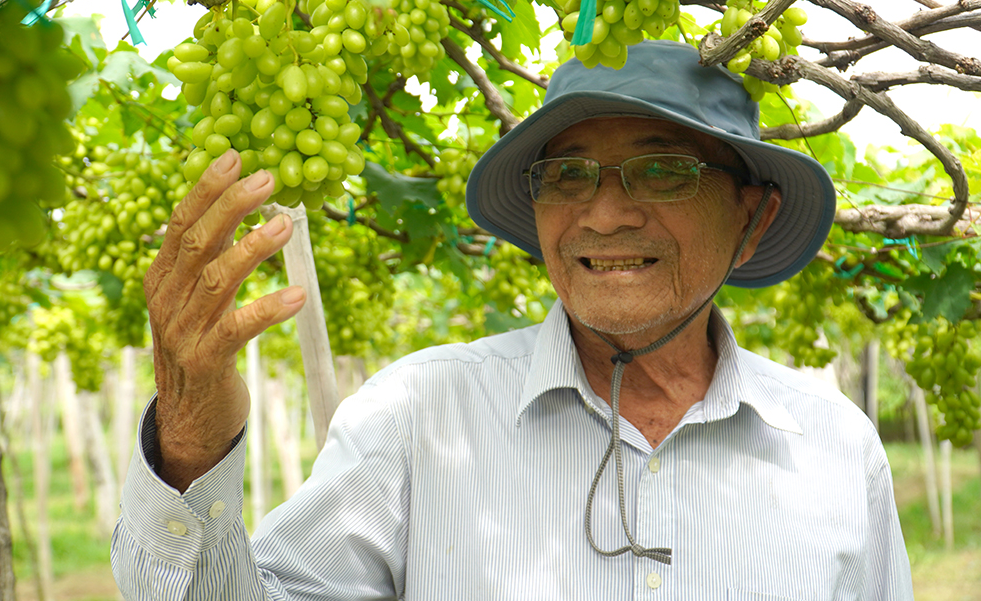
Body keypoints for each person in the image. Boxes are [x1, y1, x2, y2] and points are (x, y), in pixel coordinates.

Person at [112, 40, 913, 599]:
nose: (603, 215)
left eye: (662, 169)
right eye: (566, 173)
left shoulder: (838, 452)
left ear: (755, 216)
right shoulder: (419, 418)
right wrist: (189, 446)